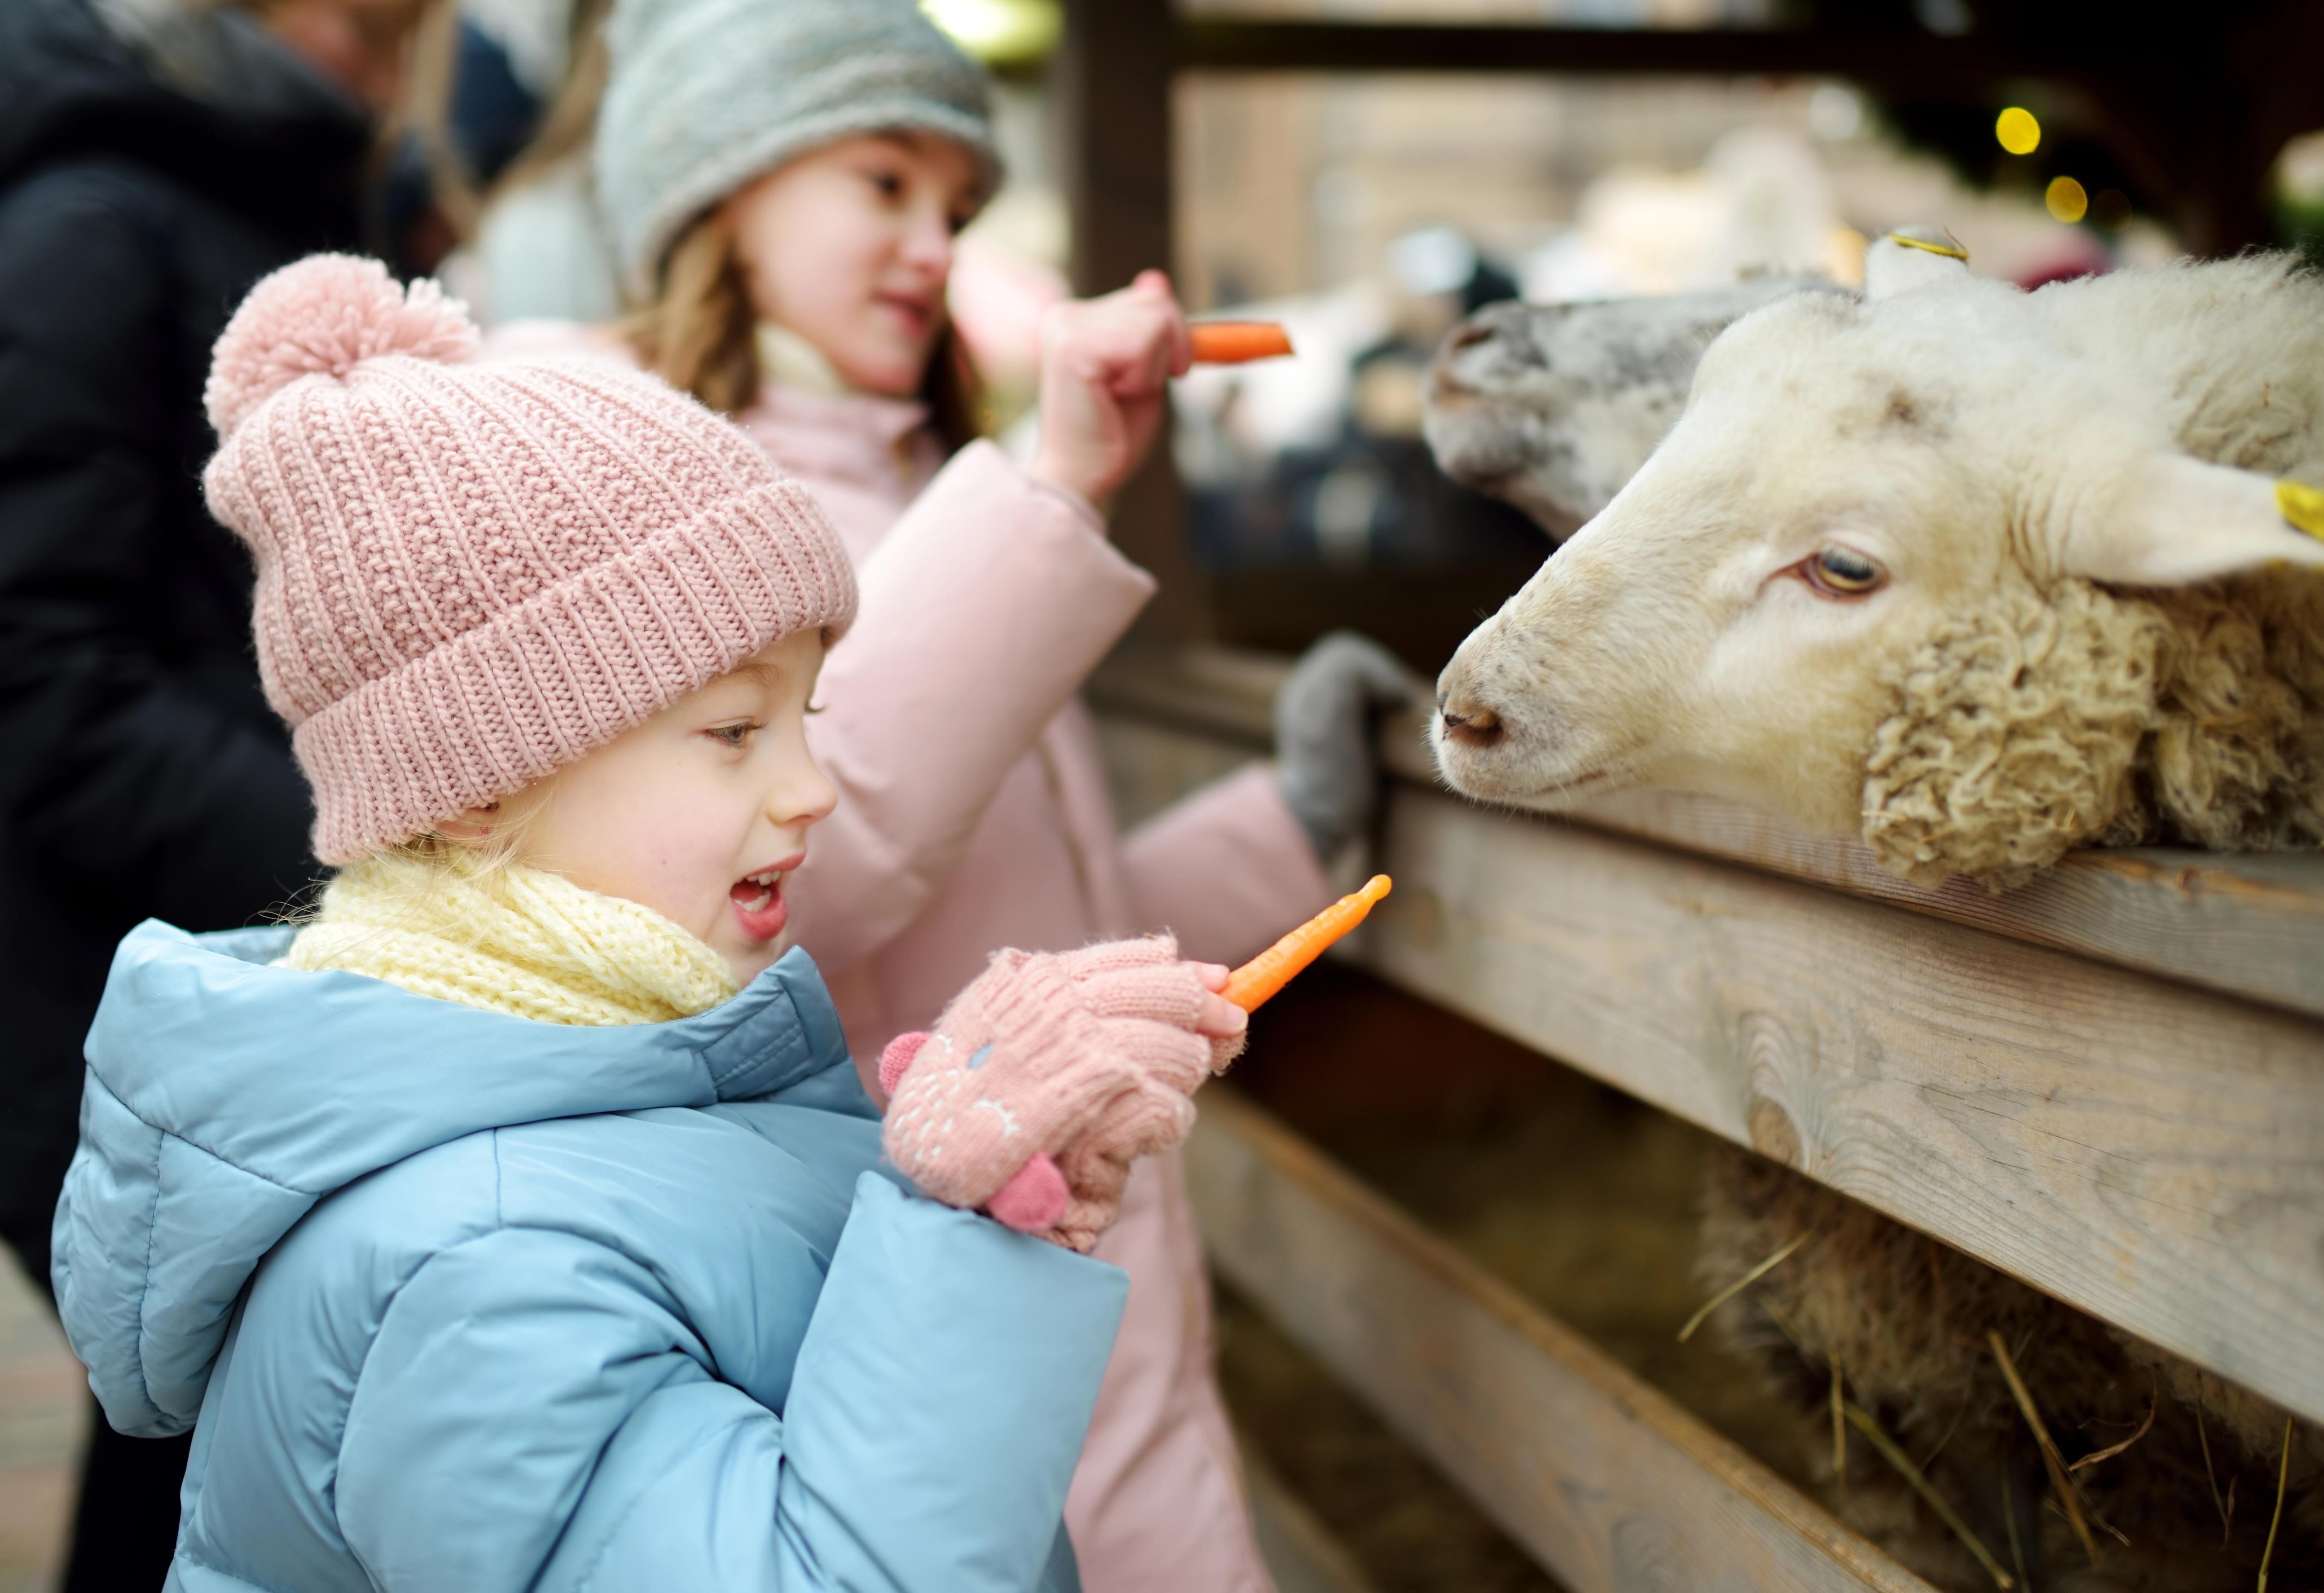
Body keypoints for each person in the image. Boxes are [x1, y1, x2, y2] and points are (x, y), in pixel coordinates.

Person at [54, 252, 1248, 1593]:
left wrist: (986, 1219)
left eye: (809, 719)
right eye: (735, 732)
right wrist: (955, 1238)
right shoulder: (482, 1266)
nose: (809, 790)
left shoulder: (612, 1083)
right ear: (482, 783)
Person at [549, 5, 1419, 1588]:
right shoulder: (651, 506)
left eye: (956, 206)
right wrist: (1054, 484)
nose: (930, 244)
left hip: (1066, 1248)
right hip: (925, 1285)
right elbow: (798, 883)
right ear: (715, 188)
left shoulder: (909, 480)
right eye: (883, 181)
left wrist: (1278, 832)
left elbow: (1003, 914)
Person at [0, 0, 431, 1584]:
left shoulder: (285, 199)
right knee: (210, 1411)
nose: (390, 33)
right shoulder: (92, 223)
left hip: (249, 962)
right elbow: (40, 681)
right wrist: (383, 851)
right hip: (115, 993)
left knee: (216, 1438)